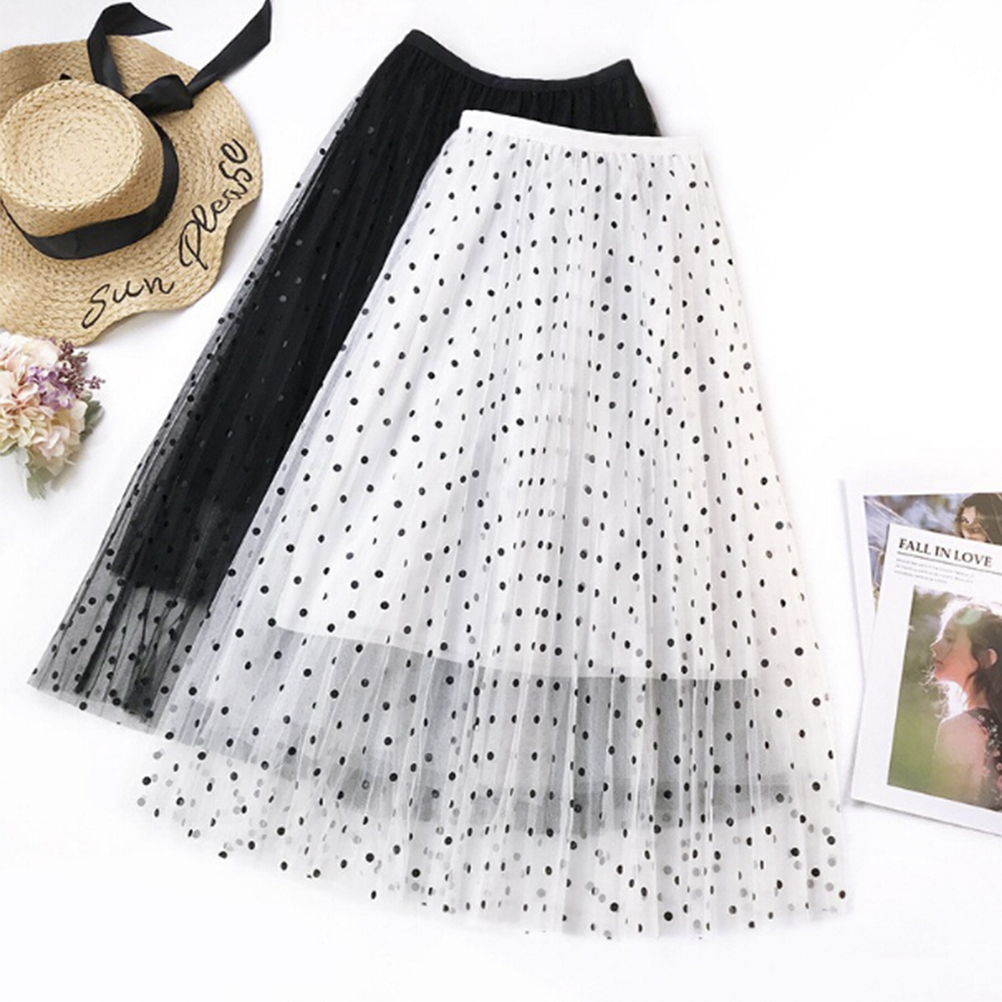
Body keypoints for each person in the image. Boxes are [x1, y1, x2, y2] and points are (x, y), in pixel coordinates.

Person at [929, 602, 1002, 810]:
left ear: (986, 658)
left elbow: (940, 813)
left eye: (950, 638)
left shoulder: (960, 729)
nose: (934, 647)